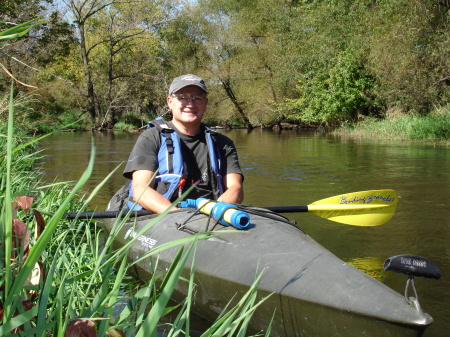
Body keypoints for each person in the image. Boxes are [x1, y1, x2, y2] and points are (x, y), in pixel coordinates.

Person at [123, 74, 244, 213]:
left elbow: (236, 188)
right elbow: (140, 189)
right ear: (169, 102)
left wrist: (217, 210)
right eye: (182, 98)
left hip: (210, 213)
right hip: (165, 214)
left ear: (205, 103)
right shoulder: (151, 138)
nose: (190, 104)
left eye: (197, 98)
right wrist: (176, 215)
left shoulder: (223, 143)